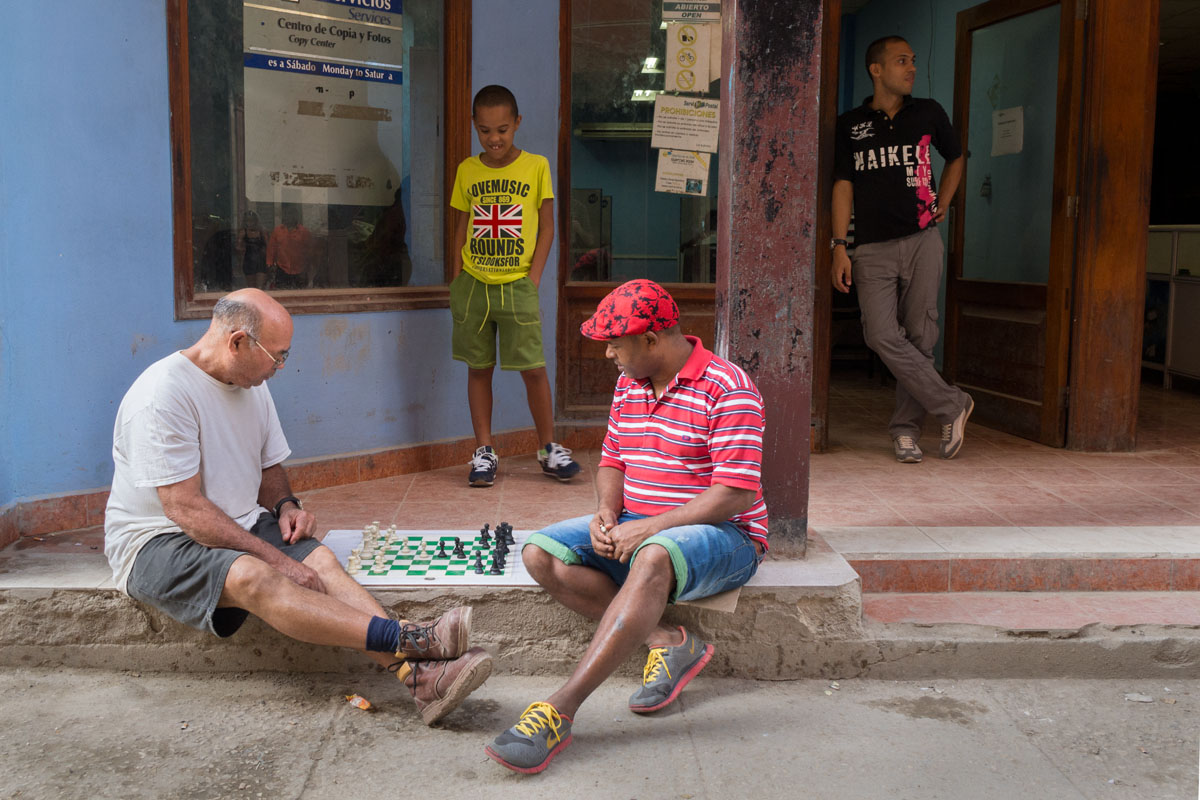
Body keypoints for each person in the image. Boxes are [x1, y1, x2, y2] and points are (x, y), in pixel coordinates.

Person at [103, 289, 492, 725]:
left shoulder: (253, 384)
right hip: (157, 540)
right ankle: (410, 638)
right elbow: (185, 509)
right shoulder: (162, 394)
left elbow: (269, 466)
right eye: (278, 356)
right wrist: (276, 560)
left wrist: (286, 505)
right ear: (237, 342)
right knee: (254, 574)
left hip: (237, 522)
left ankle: (417, 678)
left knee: (320, 559)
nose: (280, 368)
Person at [485, 280, 768, 774]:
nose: (609, 353)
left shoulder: (729, 388)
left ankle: (560, 710)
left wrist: (649, 529)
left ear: (653, 340)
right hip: (643, 523)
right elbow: (613, 459)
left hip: (730, 537)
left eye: (616, 343)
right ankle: (668, 640)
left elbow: (735, 494)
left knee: (654, 554)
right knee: (540, 553)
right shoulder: (630, 383)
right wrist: (607, 513)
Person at [831, 35, 974, 463]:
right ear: (876, 69)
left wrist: (944, 200)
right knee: (880, 335)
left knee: (920, 337)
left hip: (922, 240)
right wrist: (839, 245)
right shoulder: (851, 124)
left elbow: (956, 155)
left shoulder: (928, 112)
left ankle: (905, 430)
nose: (910, 67)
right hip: (871, 246)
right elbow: (843, 185)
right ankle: (951, 402)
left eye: (912, 60)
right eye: (900, 61)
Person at [449, 84, 580, 488]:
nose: (494, 139)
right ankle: (485, 451)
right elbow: (461, 227)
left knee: (534, 370)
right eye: (485, 130)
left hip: (518, 285)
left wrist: (534, 277)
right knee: (478, 369)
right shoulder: (467, 171)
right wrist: (457, 280)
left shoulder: (536, 166)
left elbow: (547, 226)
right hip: (474, 286)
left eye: (503, 129)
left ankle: (548, 449)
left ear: (517, 123)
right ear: (474, 126)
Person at [266, 205, 312, 290]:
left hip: (300, 270)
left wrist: (307, 268)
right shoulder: (277, 231)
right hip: (282, 269)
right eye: (287, 214)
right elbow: (271, 249)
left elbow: (309, 251)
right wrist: (270, 265)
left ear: (296, 216)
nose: (289, 216)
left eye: (292, 214)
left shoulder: (304, 232)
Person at [236, 210, 269, 290]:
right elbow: (238, 248)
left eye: (252, 220)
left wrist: (270, 262)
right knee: (251, 289)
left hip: (261, 260)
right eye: (248, 220)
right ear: (245, 221)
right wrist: (240, 242)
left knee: (260, 288)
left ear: (256, 221)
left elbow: (268, 246)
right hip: (249, 261)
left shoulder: (262, 231)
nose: (250, 222)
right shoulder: (243, 232)